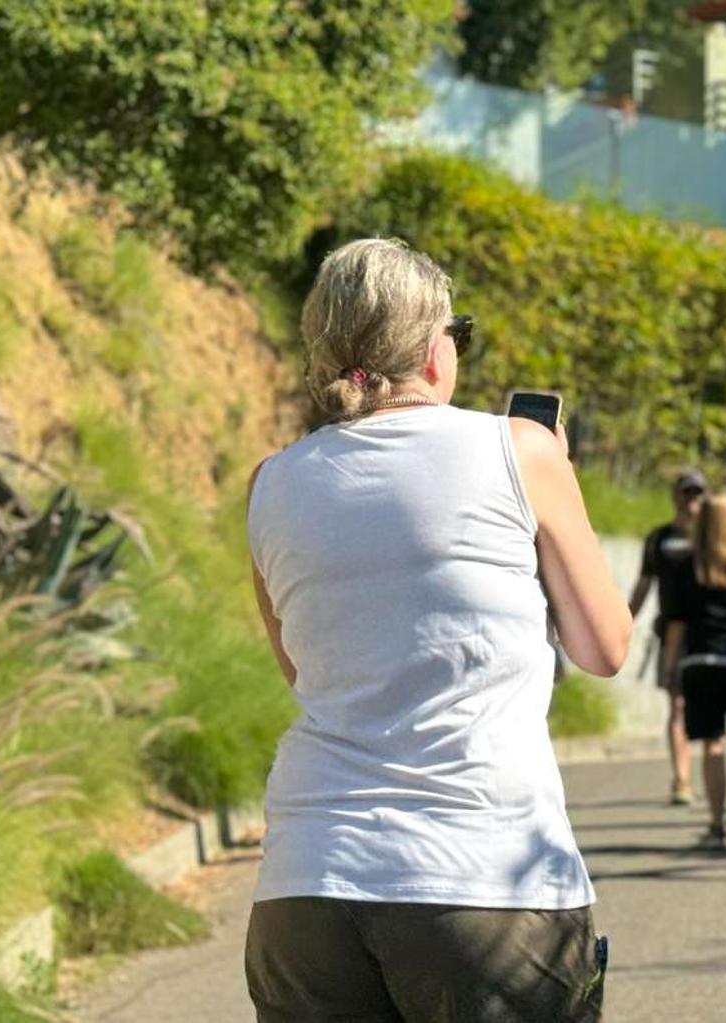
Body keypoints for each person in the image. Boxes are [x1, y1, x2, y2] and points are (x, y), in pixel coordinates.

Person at [243, 239, 631, 1020]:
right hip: (482, 878)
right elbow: (605, 647)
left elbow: (304, 668)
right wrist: (555, 482)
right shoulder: (518, 450)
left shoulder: (271, 482)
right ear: (431, 348)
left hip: (305, 884)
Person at [663, 493, 726, 850]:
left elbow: (676, 624)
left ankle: (717, 823)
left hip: (702, 661)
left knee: (713, 742)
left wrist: (670, 666)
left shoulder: (685, 566)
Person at [631, 469, 708, 806]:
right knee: (677, 705)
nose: (692, 500)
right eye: (687, 492)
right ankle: (682, 780)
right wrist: (625, 622)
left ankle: (711, 780)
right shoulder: (659, 539)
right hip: (672, 634)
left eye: (697, 493)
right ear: (675, 495)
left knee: (705, 710)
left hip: (710, 635)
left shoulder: (713, 537)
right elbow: (643, 585)